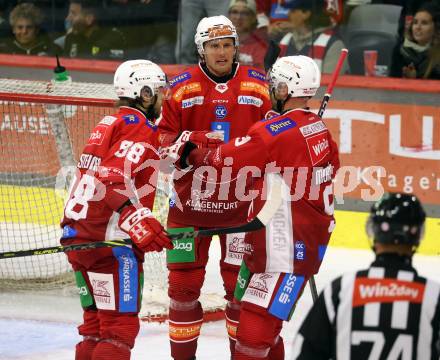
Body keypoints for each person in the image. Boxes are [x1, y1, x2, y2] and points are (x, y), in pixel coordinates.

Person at [163, 55, 341, 360]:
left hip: (284, 253)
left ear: (285, 89)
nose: (271, 90)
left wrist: (191, 153)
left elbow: (224, 159)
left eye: (275, 85)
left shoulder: (274, 132)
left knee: (253, 340)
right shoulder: (317, 127)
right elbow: (332, 167)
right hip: (294, 247)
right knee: (262, 334)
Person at [157, 15, 272, 360]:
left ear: (236, 47)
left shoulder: (259, 84)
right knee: (181, 290)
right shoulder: (179, 87)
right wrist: (191, 143)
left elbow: (276, 136)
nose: (221, 52)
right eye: (214, 46)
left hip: (242, 211)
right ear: (201, 50)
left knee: (240, 294)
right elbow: (160, 142)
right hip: (187, 210)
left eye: (227, 45)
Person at [60, 59, 173, 360]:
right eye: (160, 91)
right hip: (110, 246)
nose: (165, 98)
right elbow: (111, 177)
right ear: (145, 93)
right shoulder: (138, 128)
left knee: (95, 327)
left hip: (77, 238)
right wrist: (135, 217)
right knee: (118, 331)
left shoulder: (109, 123)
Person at [292, 192, 440, 360]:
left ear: (374, 232)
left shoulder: (340, 290)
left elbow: (303, 352)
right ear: (418, 236)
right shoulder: (433, 296)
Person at [277, 0, 349, 74]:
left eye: (292, 11)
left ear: (306, 14)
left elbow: (331, 83)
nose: (288, 14)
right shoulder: (285, 40)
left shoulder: (334, 45)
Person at [390, 2, 440, 79]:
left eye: (424, 23)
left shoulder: (437, 54)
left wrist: (415, 79)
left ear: (435, 28)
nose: (418, 27)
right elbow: (391, 82)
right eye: (415, 22)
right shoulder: (400, 51)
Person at [228, 0, 269, 69]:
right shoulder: (219, 42)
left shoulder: (261, 46)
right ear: (229, 16)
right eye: (234, 12)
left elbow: (262, 75)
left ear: (253, 18)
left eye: (244, 13)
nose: (238, 17)